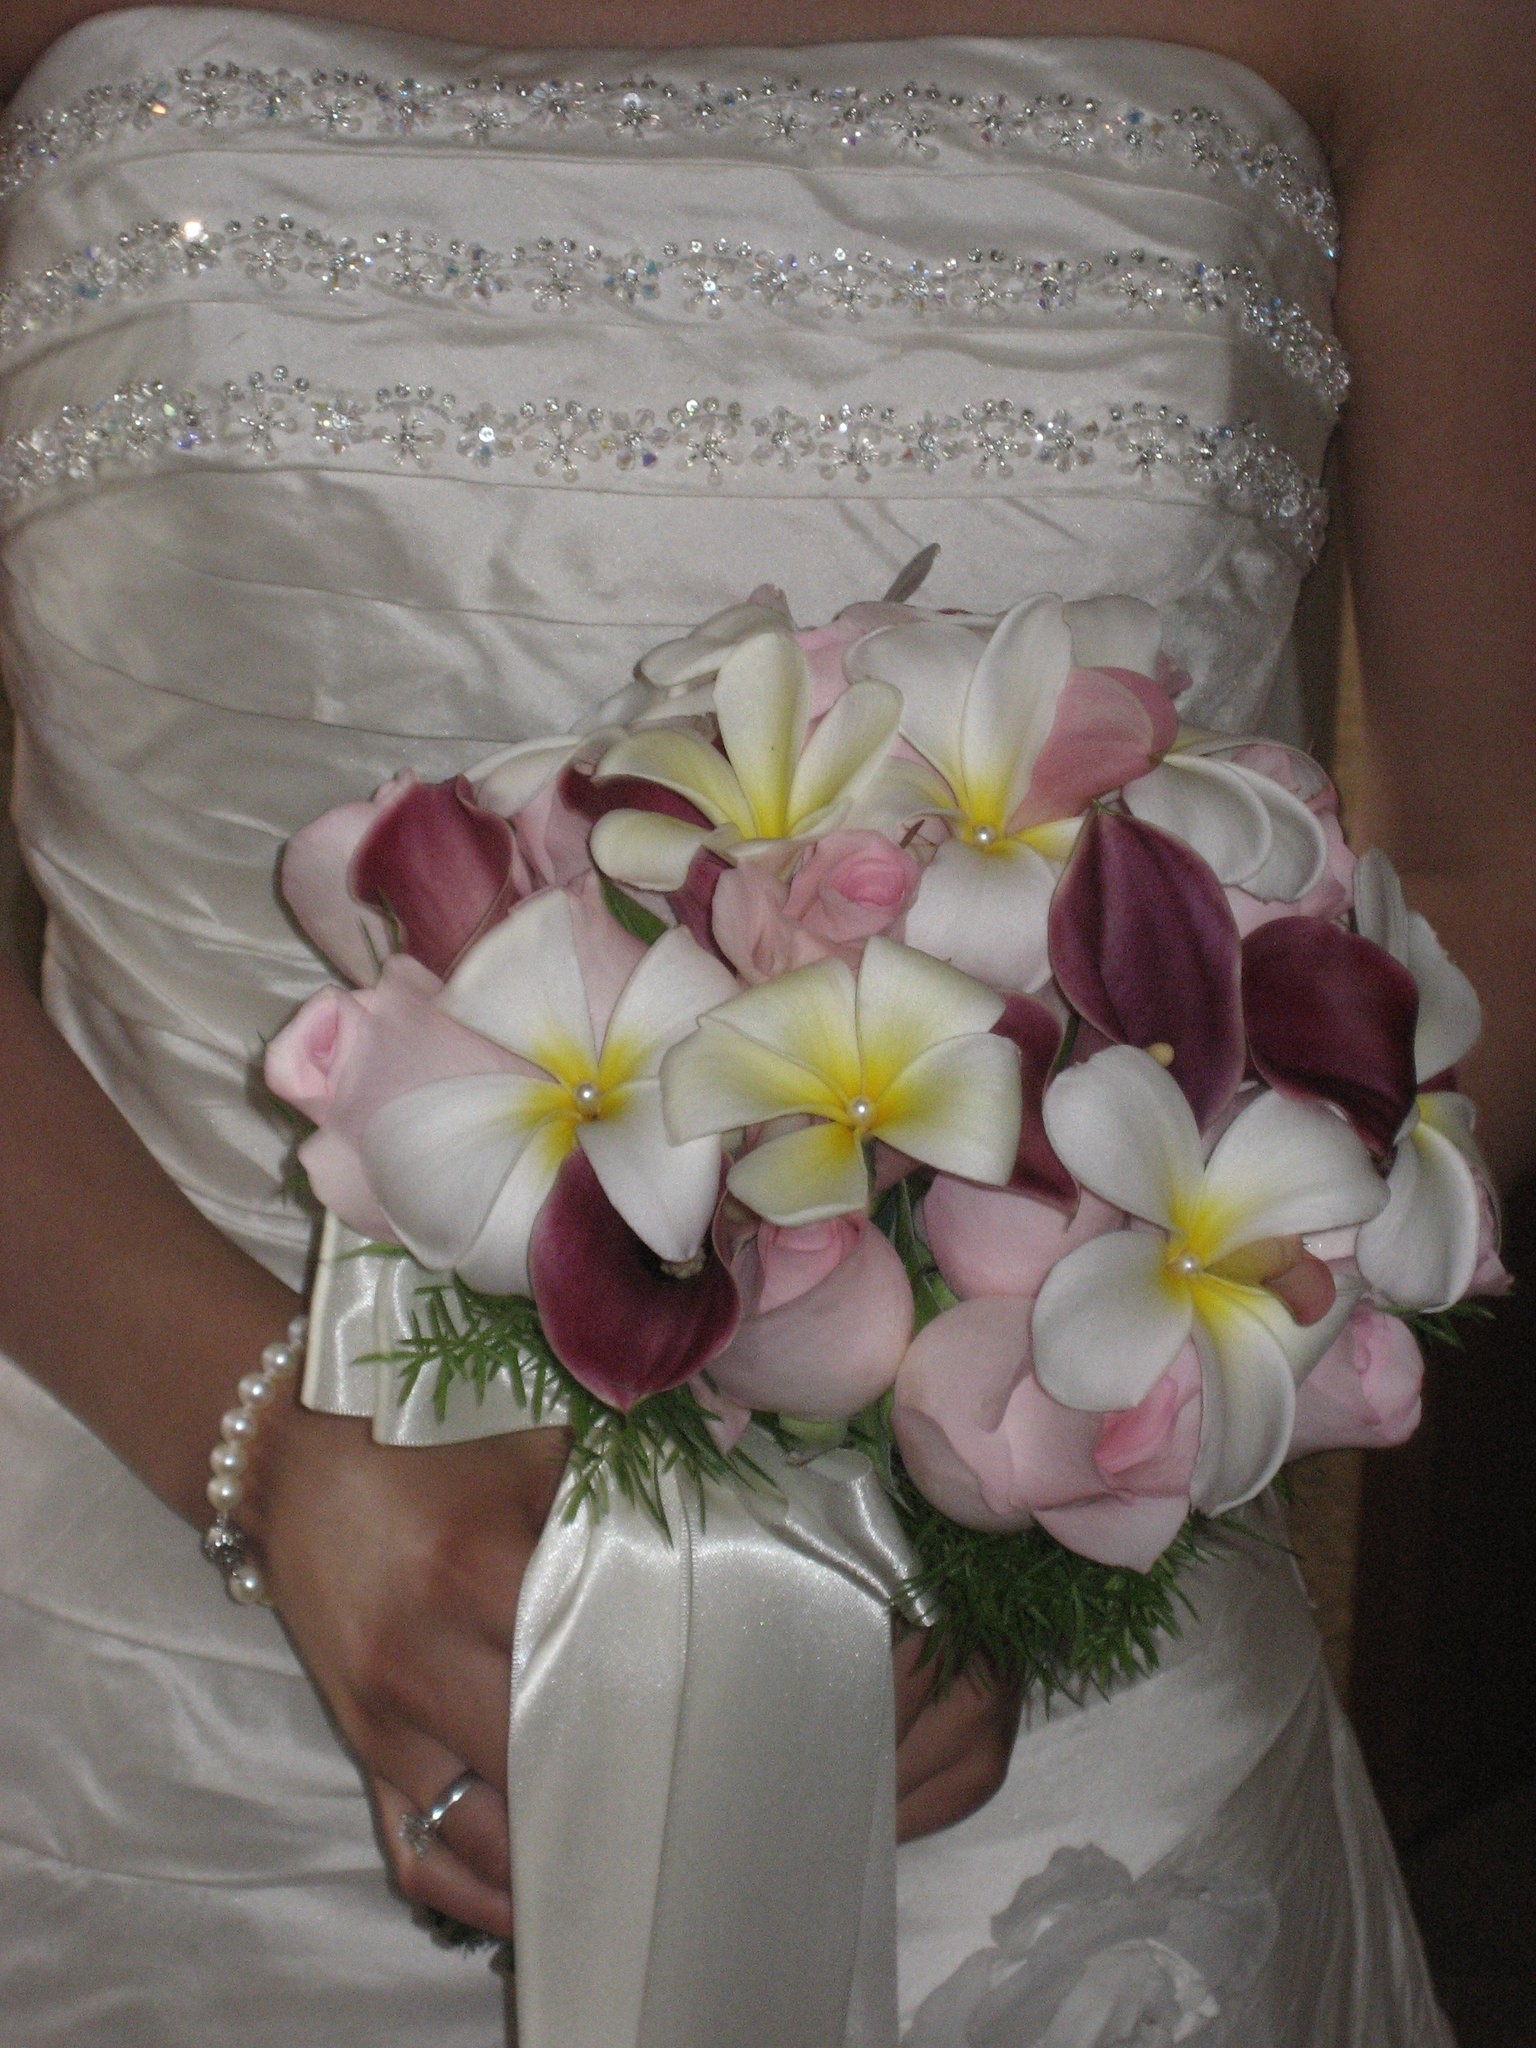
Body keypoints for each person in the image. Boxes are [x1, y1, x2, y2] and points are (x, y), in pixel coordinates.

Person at [0, 0, 1528, 2041]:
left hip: (1037, 1741)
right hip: (158, 1688)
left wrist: (1032, 1477)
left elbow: (1496, 862)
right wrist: (264, 1435)